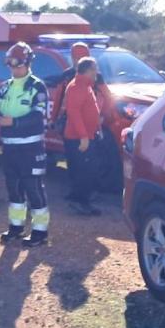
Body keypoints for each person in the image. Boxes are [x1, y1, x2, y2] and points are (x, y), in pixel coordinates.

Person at [0, 42, 51, 248]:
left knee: (34, 189)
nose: (14, 70)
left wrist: (14, 122)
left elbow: (38, 115)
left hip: (31, 148)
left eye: (17, 65)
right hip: (9, 147)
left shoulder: (37, 86)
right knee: (13, 189)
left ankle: (40, 232)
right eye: (11, 66)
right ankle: (16, 227)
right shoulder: (5, 85)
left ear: (28, 63)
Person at [62, 57, 103, 216]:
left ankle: (78, 198)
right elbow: (74, 113)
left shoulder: (85, 85)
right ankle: (81, 202)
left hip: (85, 135)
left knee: (81, 169)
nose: (97, 72)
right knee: (85, 170)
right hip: (78, 138)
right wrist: (83, 137)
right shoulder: (77, 86)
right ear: (88, 70)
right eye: (94, 69)